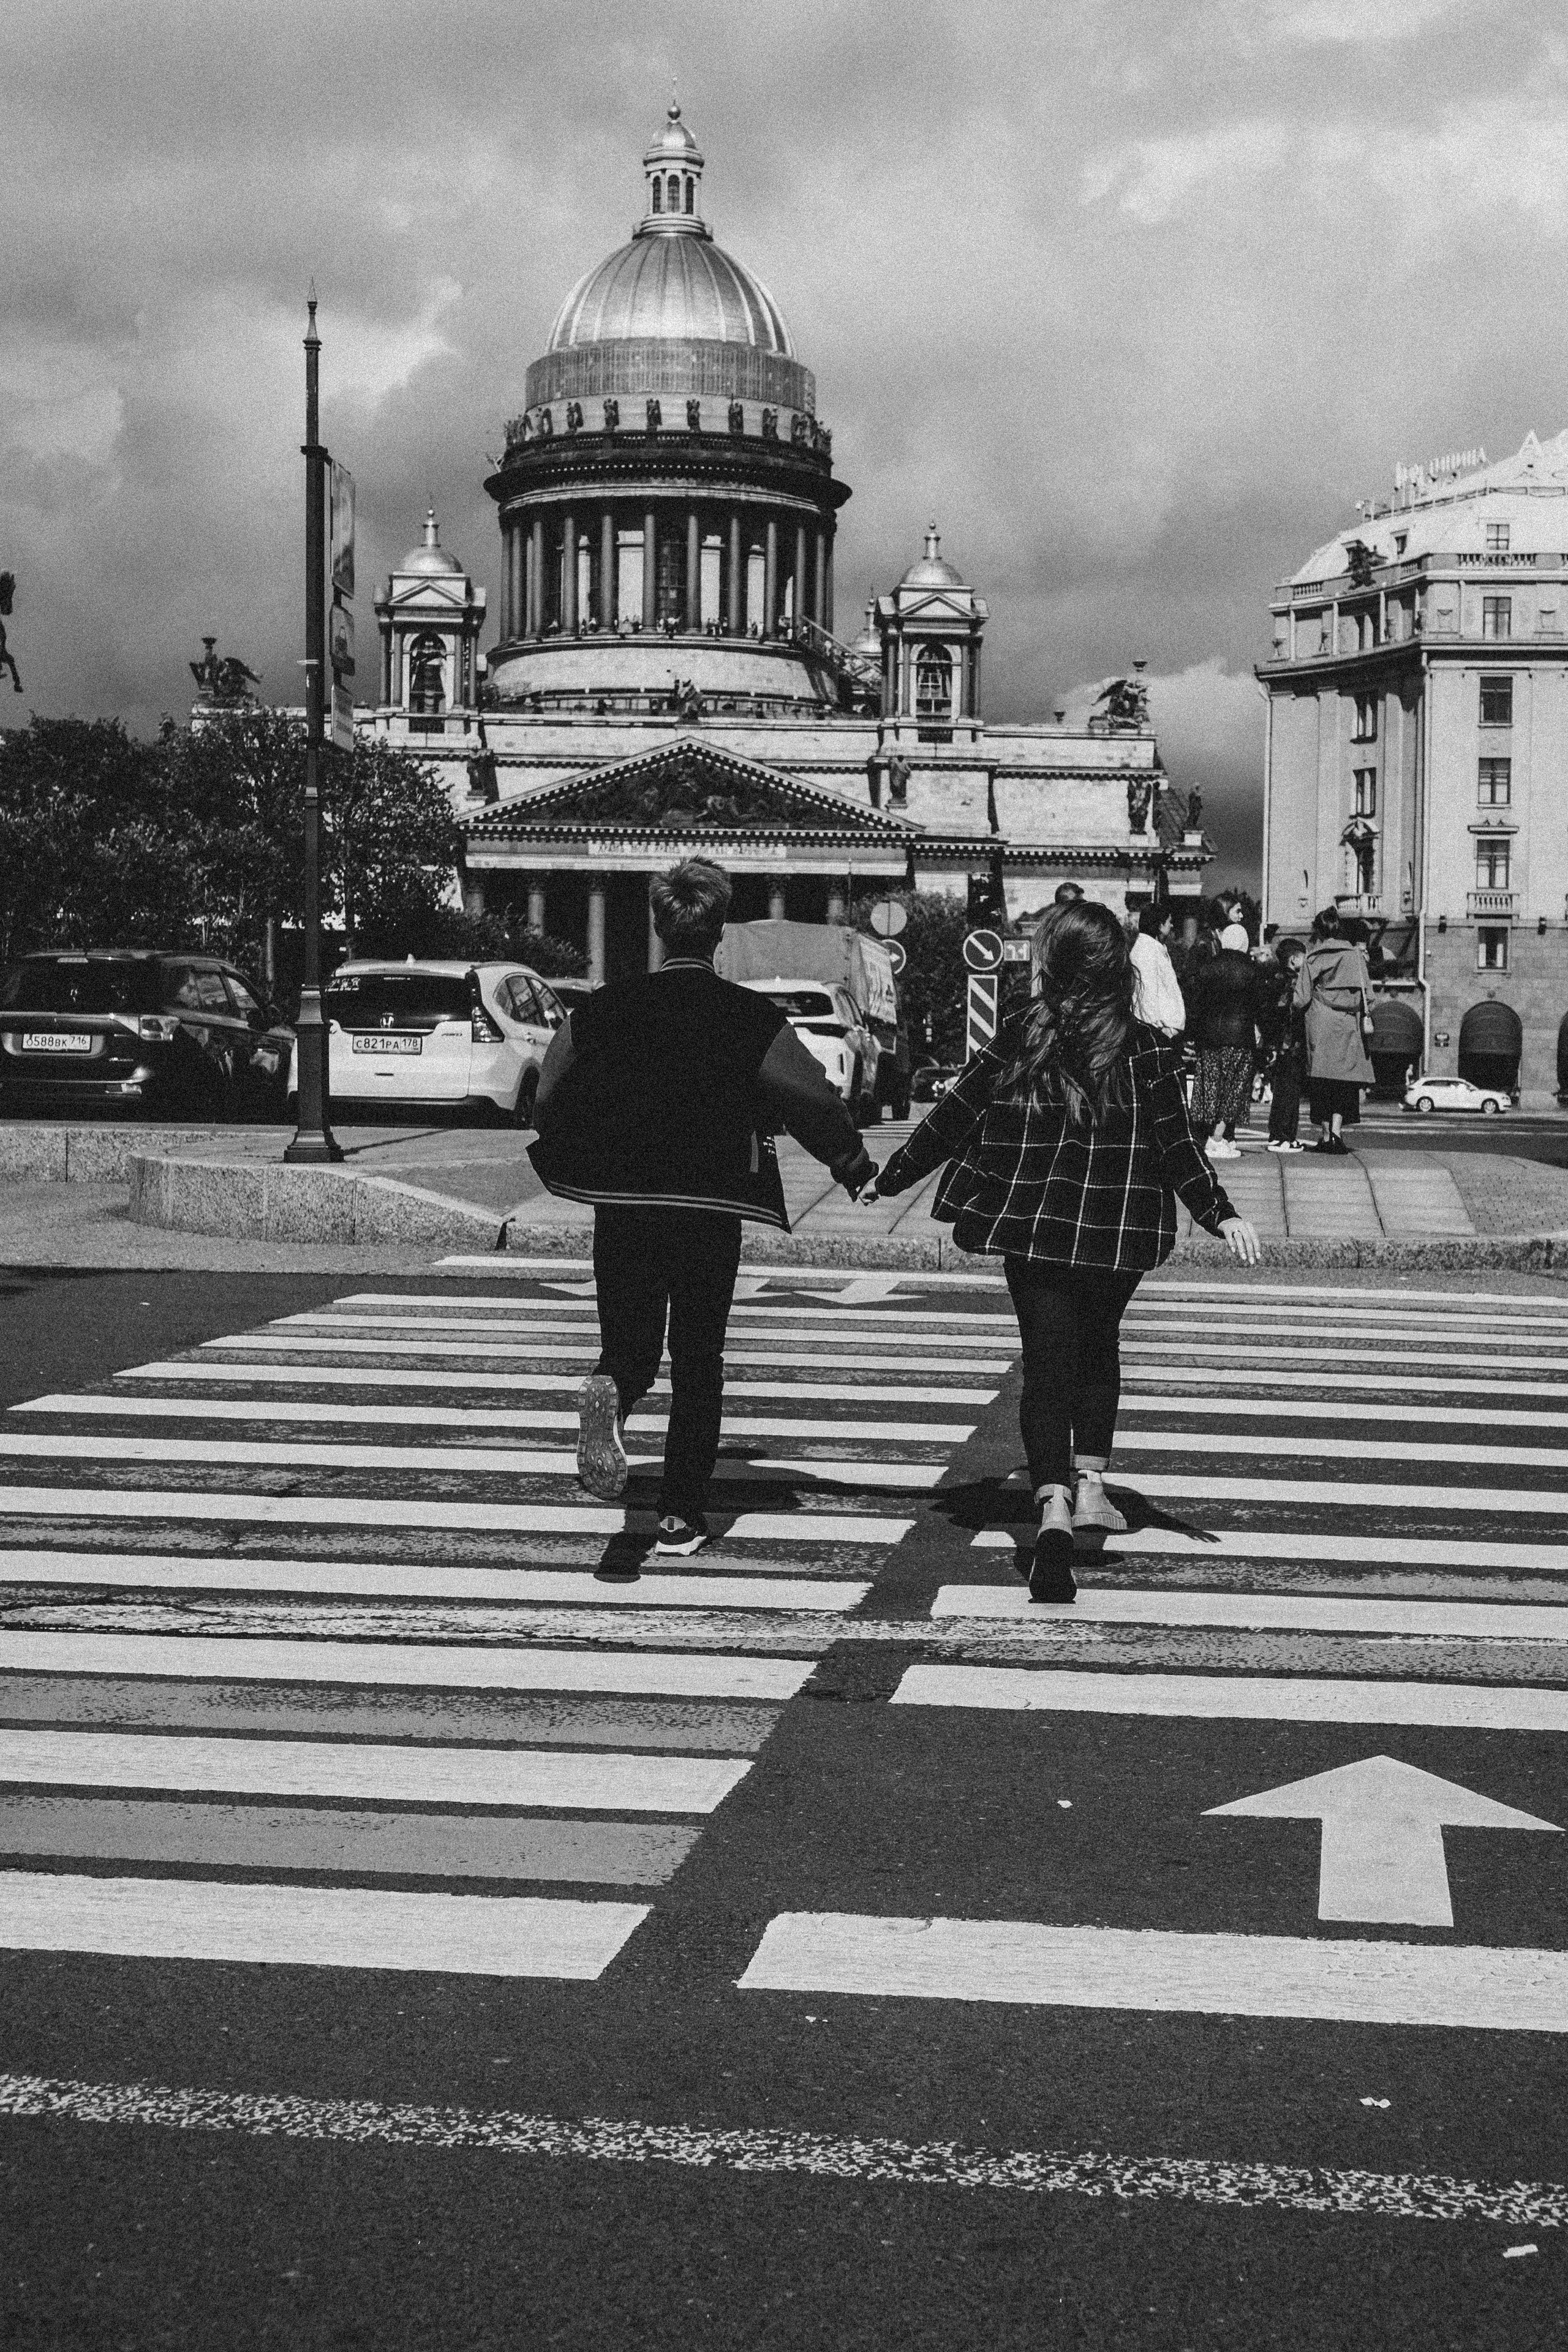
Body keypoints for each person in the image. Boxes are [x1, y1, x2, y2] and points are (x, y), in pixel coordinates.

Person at [858, 901, 1261, 1604]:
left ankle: (1049, 1504)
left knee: (1047, 1364)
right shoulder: (1148, 1050)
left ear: (1054, 961)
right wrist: (1219, 1213)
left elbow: (954, 1115)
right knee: (1098, 1347)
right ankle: (1094, 1482)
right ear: (1117, 968)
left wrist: (887, 1177)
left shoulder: (1022, 1033)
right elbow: (1176, 1148)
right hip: (1117, 1229)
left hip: (1035, 1226)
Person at [529, 857, 875, 1556]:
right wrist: (851, 1162)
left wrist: (583, 1142)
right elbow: (809, 1097)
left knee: (629, 1341)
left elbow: (548, 1096)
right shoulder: (748, 1017)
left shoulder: (602, 1008)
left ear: (657, 925)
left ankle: (612, 1390)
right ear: (718, 930)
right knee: (697, 1356)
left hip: (622, 1200)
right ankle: (681, 1513)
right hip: (708, 1203)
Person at [1295, 904, 1373, 1154]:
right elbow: (1368, 996)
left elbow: (1301, 998)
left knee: (1322, 1082)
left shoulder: (1314, 958)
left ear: (1318, 931)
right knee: (1343, 1083)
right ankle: (1337, 1134)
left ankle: (1325, 1134)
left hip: (1321, 1024)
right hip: (1348, 1023)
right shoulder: (1356, 956)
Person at [1184, 921, 1260, 1159]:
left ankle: (1208, 1135)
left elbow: (1197, 1002)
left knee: (1210, 1087)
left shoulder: (1209, 967)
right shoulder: (1252, 970)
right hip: (1240, 1037)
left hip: (1210, 1037)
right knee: (1233, 1088)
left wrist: (1193, 1033)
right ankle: (1218, 1138)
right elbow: (1261, 1005)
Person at [1262, 940, 1308, 1152]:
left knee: (1280, 1090)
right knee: (1290, 1091)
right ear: (1293, 959)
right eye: (1303, 958)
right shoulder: (1293, 982)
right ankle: (1284, 1137)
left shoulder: (1273, 979)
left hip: (1277, 1044)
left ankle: (1278, 1135)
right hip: (1291, 1044)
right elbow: (1291, 1011)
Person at [1129, 903, 1186, 1038]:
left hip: (1164, 1031)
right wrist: (1158, 1029)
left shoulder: (1154, 948)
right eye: (1169, 922)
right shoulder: (1145, 951)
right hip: (1157, 1032)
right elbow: (1146, 994)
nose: (1172, 926)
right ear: (1160, 925)